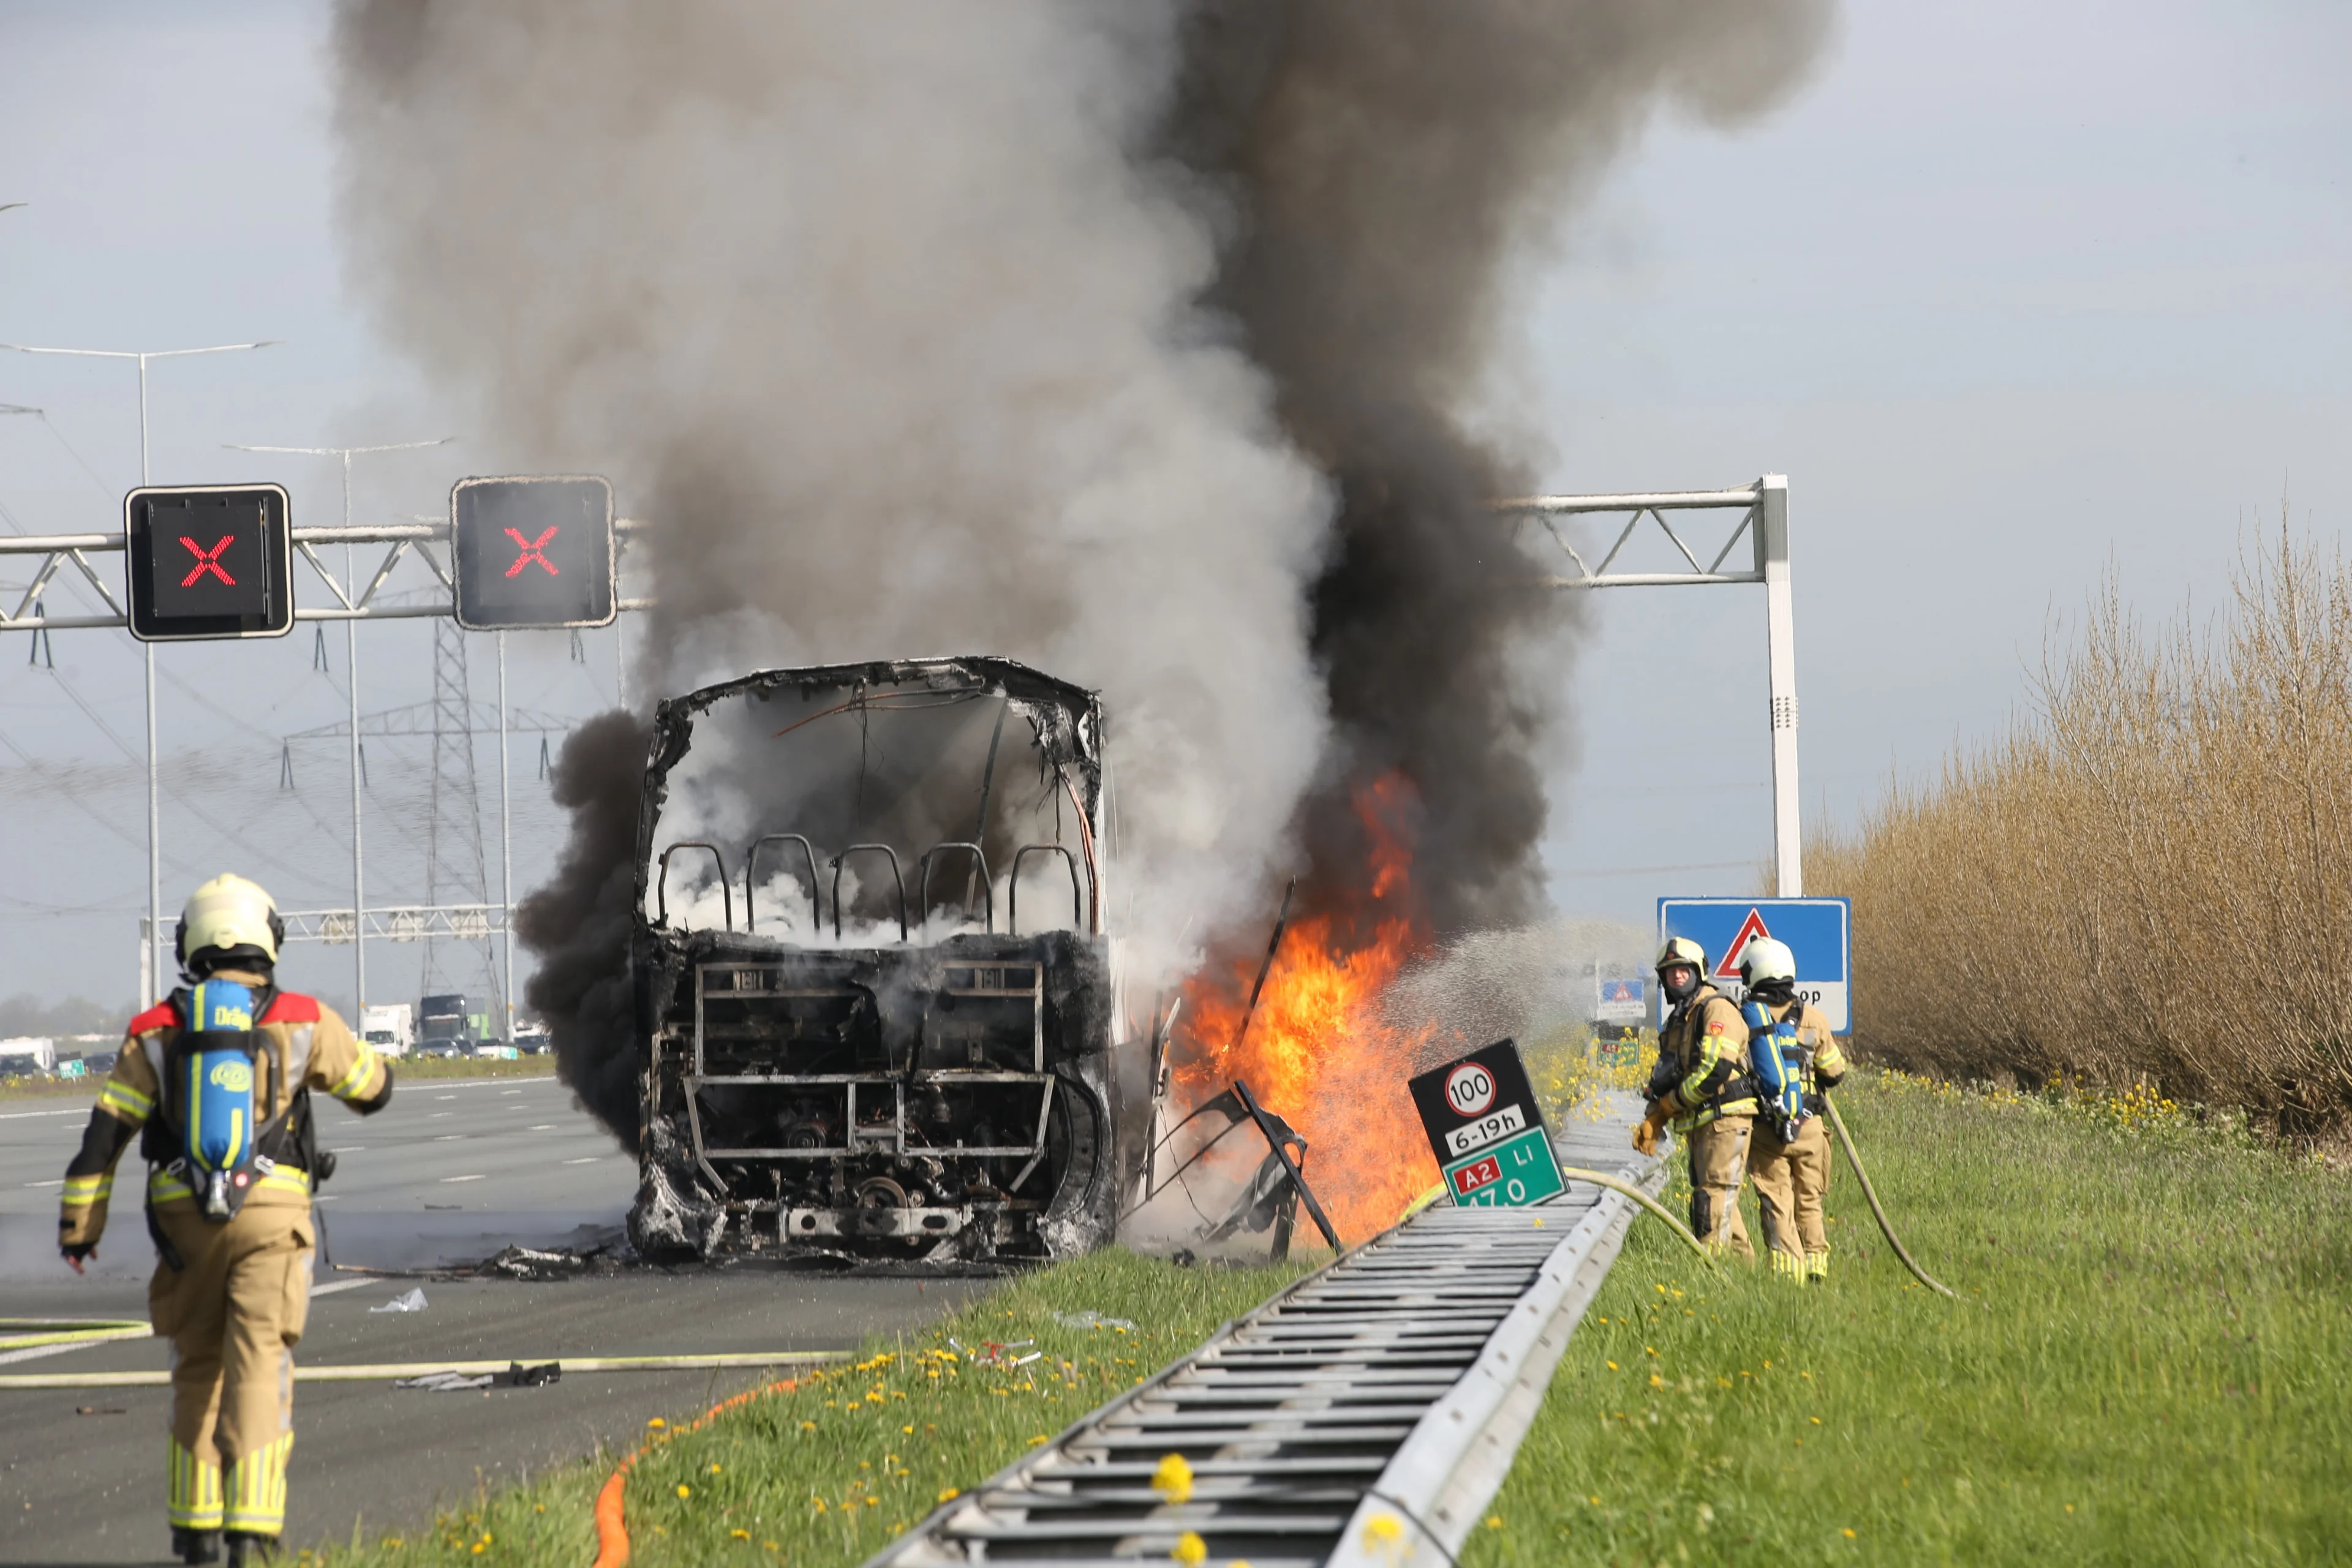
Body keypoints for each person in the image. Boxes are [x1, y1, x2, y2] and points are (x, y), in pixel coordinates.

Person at [58, 875, 393, 1566]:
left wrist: (79, 1227)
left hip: (183, 1223)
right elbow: (372, 1090)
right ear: (268, 936)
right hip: (273, 1216)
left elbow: (105, 1134)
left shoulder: (155, 1029)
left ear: (192, 943)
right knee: (259, 1361)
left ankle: (196, 1531)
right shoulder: (301, 1016)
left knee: (197, 1364)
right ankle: (253, 1532)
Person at [1633, 935, 1758, 1261]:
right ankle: (1744, 1272)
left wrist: (1668, 1107)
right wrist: (1654, 1116)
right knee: (1720, 1201)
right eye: (1670, 971)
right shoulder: (1679, 1020)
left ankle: (1712, 1275)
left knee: (1710, 1200)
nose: (1677, 976)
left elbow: (1715, 1070)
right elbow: (1666, 1075)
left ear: (1698, 972)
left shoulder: (1715, 1008)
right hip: (1702, 1122)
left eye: (1683, 970)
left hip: (1725, 1119)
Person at [1736, 936, 1848, 1284]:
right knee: (1810, 1199)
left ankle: (1787, 1275)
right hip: (1811, 1127)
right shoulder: (1813, 1018)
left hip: (1769, 1131)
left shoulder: (1746, 1019)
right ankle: (1816, 1265)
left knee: (1777, 1200)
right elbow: (1834, 1071)